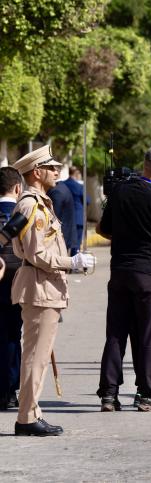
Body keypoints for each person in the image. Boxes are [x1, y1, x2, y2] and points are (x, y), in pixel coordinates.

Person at [11, 145, 95, 436]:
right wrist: (70, 262)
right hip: (40, 285)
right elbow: (37, 254)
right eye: (51, 167)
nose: (57, 171)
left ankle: (31, 413)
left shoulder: (38, 202)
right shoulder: (31, 205)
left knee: (38, 355)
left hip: (44, 286)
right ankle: (26, 417)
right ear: (37, 172)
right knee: (36, 356)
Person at [96, 146, 151, 413]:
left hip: (120, 271)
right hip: (150, 274)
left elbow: (103, 228)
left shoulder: (119, 191)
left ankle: (109, 394)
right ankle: (148, 392)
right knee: (149, 336)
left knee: (115, 334)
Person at [0, 167, 23, 411]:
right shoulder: (21, 214)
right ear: (18, 188)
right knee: (13, 337)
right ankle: (10, 390)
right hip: (16, 283)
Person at [47, 180, 78, 254]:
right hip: (65, 234)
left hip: (60, 236)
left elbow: (54, 216)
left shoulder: (57, 192)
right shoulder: (61, 187)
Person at [63, 166, 85, 253]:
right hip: (78, 217)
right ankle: (74, 265)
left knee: (64, 242)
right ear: (76, 173)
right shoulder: (79, 186)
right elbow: (86, 200)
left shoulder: (63, 184)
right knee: (76, 243)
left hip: (65, 218)